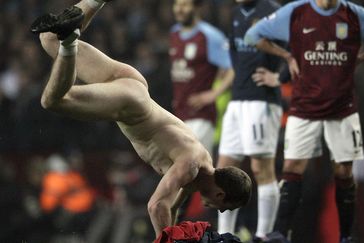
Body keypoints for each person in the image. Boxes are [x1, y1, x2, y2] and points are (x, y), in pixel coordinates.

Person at [30, 0, 252, 238]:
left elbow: (171, 208)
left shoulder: (198, 171)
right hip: (132, 105)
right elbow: (156, 205)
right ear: (220, 195)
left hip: (134, 85)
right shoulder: (192, 166)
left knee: (47, 39)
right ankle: (69, 40)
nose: (218, 212)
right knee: (52, 100)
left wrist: (170, 233)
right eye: (224, 208)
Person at [245, 0, 364, 241]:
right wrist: (286, 55)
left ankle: (345, 236)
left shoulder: (353, 15)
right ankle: (280, 233)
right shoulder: (296, 12)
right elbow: (252, 35)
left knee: (344, 173)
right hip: (303, 108)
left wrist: (362, 58)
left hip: (342, 109)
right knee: (291, 170)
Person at [216, 0, 283, 241]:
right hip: (238, 99)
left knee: (260, 168)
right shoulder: (236, 14)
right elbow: (235, 53)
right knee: (223, 171)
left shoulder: (273, 12)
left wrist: (279, 77)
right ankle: (225, 235)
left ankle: (264, 235)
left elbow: (295, 48)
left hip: (261, 101)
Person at [170, 0, 234, 155]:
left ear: (197, 7)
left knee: (193, 164)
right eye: (177, 4)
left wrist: (213, 94)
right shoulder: (174, 32)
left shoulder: (209, 35)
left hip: (201, 114)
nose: (179, 9)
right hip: (179, 112)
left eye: (185, 5)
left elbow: (232, 68)